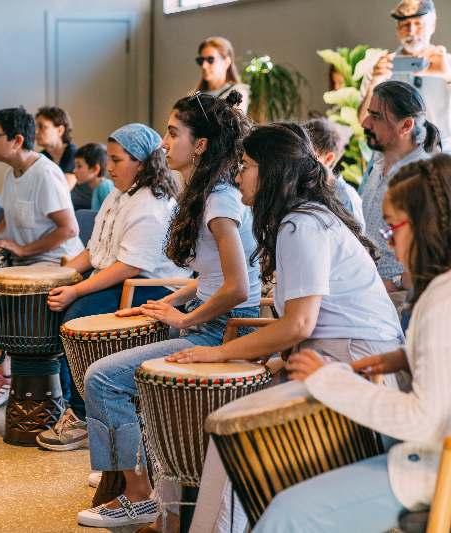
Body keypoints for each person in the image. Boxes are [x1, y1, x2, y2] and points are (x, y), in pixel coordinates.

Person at [176, 122, 405, 533]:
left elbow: (299, 324)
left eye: (246, 165)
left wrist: (218, 352)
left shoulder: (301, 224)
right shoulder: (305, 217)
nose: (238, 176)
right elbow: (302, 323)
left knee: (234, 433)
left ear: (271, 171)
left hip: (357, 364)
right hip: (345, 358)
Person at [75, 91, 260, 530]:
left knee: (101, 378)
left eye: (173, 133)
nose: (163, 142)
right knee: (122, 366)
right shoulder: (205, 192)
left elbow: (239, 287)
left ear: (200, 145)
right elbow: (214, 274)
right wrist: (172, 302)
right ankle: (145, 485)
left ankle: (137, 495)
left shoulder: (219, 201)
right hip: (205, 316)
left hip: (222, 329)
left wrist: (186, 318)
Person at [253, 153, 451, 533]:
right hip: (433, 456)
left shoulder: (442, 299)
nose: (390, 245)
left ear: (425, 227)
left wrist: (329, 378)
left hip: (432, 470)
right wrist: (404, 358)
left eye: (393, 230)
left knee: (286, 512)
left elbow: (424, 420)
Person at [38, 124, 190, 452]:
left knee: (78, 313)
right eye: (109, 159)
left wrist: (76, 290)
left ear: (142, 163)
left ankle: (81, 417)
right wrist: (58, 276)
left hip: (153, 288)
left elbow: (130, 266)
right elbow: (94, 252)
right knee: (51, 298)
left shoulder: (151, 203)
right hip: (122, 279)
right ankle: (65, 401)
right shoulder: (117, 195)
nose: (108, 167)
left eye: (116, 160)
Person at [0, 106, 83, 409]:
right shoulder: (11, 173)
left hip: (57, 261)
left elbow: (69, 229)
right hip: (28, 262)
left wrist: (25, 250)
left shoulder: (45, 174)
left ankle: (3, 375)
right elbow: (11, 218)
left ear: (17, 140)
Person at [359, 81, 440, 313]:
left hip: (401, 297)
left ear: (406, 125)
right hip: (371, 288)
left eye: (376, 117)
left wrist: (395, 282)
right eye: (369, 114)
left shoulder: (420, 176)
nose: (365, 123)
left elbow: (435, 254)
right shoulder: (379, 165)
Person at [357, 0, 451, 152]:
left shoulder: (448, 64)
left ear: (432, 26)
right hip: (395, 157)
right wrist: (375, 83)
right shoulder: (379, 68)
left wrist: (448, 76)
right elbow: (363, 121)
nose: (411, 31)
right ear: (397, 29)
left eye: (418, 23)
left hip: (443, 155)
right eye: (404, 24)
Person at [303, 117, 365, 230]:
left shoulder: (347, 199)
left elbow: (359, 238)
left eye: (310, 157)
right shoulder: (302, 188)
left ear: (329, 158)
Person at [36, 106, 89, 208]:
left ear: (60, 130)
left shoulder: (73, 154)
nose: (36, 132)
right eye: (36, 127)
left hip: (81, 212)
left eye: (41, 127)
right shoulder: (43, 156)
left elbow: (60, 192)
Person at [192, 37, 250, 114]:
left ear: (226, 62)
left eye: (210, 59)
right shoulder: (195, 96)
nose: (204, 65)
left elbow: (233, 121)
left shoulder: (238, 93)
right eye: (201, 60)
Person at [72, 143, 115, 211]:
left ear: (95, 169)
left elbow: (113, 213)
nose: (74, 170)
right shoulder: (97, 188)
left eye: (79, 166)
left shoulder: (104, 187)